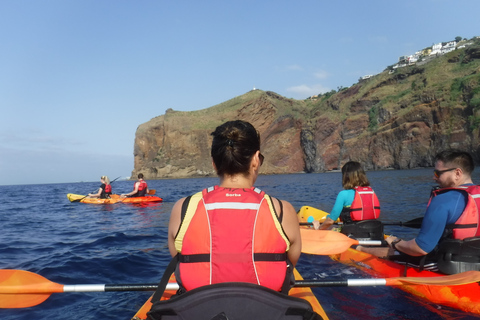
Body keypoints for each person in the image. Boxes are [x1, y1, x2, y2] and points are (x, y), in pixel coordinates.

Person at [167, 120, 301, 294]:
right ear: (255, 160)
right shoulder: (283, 211)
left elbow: (178, 260)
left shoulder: (182, 209)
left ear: (214, 163)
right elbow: (290, 263)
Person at [364, 150, 480, 274]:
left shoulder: (442, 200)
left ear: (457, 173)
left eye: (437, 173)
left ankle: (359, 249)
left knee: (393, 251)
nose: (434, 177)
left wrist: (395, 243)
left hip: (445, 265)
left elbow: (421, 248)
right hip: (475, 262)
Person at [312, 161, 382, 239]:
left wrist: (318, 228)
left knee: (330, 228)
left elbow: (330, 221)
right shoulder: (371, 192)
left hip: (353, 235)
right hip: (374, 233)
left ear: (346, 177)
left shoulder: (343, 194)